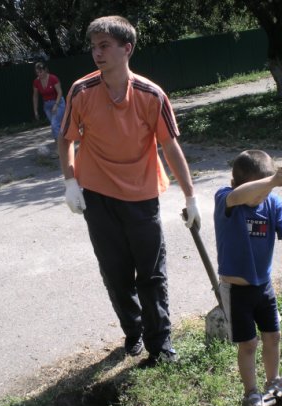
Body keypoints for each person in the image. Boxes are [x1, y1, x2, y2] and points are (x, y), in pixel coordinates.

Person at [57, 15, 200, 366]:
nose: (97, 53)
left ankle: (160, 343)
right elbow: (66, 140)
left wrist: (190, 195)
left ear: (127, 48)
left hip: (142, 197)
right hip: (97, 197)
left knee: (151, 274)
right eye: (93, 46)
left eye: (104, 45)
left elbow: (170, 147)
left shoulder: (151, 95)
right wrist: (70, 182)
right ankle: (133, 332)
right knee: (116, 274)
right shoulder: (81, 90)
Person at [213, 149, 282, 406]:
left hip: (263, 287)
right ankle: (251, 395)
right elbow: (244, 195)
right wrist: (273, 181)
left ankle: (274, 381)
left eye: (268, 188)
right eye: (260, 188)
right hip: (236, 290)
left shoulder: (273, 204)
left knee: (273, 337)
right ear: (237, 184)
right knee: (249, 344)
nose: (263, 195)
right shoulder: (226, 199)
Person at [32, 62, 66, 143]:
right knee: (56, 126)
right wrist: (36, 111)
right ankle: (63, 142)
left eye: (40, 72)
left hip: (58, 103)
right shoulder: (36, 82)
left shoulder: (53, 78)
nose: (39, 74)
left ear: (45, 70)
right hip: (47, 105)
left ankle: (59, 147)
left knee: (54, 125)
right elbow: (35, 96)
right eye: (37, 73)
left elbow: (60, 92)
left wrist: (56, 105)